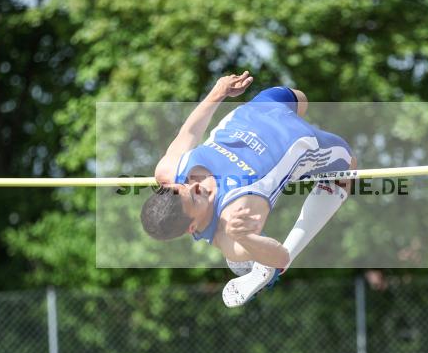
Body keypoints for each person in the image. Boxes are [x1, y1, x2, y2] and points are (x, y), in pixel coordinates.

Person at [141, 71, 356, 306]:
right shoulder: (230, 227)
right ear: (192, 226)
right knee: (347, 170)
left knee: (300, 98)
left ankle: (257, 264)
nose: (194, 187)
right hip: (298, 138)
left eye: (184, 187)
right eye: (194, 198)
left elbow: (190, 132)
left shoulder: (169, 170)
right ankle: (266, 268)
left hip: (259, 110)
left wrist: (218, 92)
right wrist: (247, 240)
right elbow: (280, 256)